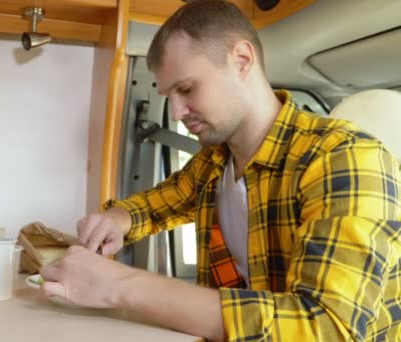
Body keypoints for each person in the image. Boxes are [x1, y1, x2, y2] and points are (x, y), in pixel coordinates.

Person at [39, 0, 401, 341]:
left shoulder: (346, 157)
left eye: (186, 88)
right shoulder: (214, 162)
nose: (178, 112)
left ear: (242, 60)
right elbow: (156, 205)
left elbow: (326, 327)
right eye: (170, 97)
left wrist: (120, 286)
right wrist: (118, 219)